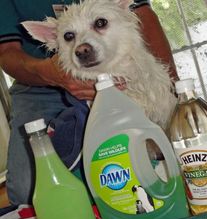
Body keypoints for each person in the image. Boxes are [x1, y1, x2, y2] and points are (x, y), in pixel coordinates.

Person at [0, 0, 178, 205]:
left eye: (100, 24)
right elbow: (6, 53)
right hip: (38, 84)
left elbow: (143, 13)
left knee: (176, 139)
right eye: (69, 37)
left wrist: (173, 87)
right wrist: (52, 75)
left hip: (132, 70)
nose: (82, 48)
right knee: (29, 190)